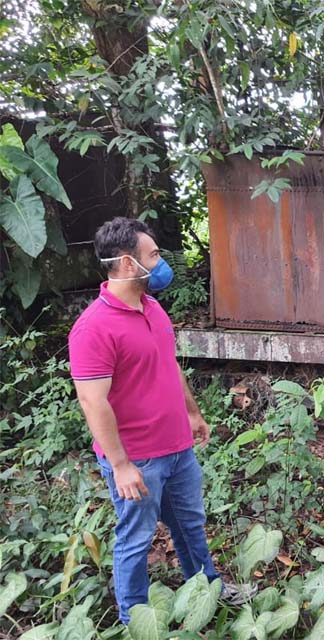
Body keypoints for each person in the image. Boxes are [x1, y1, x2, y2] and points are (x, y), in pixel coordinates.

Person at [68, 217, 255, 624]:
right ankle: (132, 619)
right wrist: (120, 465)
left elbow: (167, 364)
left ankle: (208, 591)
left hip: (177, 449)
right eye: (152, 255)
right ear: (126, 264)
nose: (161, 261)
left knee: (191, 526)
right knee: (135, 538)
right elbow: (92, 400)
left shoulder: (151, 307)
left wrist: (191, 412)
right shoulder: (93, 329)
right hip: (138, 460)